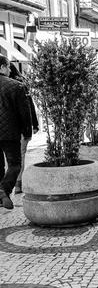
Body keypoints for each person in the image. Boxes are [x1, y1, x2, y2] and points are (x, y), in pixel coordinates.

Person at [0, 55, 32, 209]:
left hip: (8, 133)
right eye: (7, 66)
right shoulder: (16, 86)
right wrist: (27, 132)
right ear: (2, 67)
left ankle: (1, 196)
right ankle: (3, 190)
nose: (8, 69)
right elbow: (24, 113)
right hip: (9, 133)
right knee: (15, 164)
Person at [9, 63, 39, 195]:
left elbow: (29, 107)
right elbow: (29, 106)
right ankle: (18, 184)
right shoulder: (21, 84)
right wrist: (35, 125)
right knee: (20, 156)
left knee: (13, 157)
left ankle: (13, 184)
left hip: (14, 129)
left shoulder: (18, 85)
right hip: (21, 128)